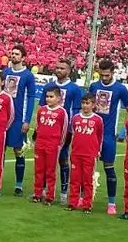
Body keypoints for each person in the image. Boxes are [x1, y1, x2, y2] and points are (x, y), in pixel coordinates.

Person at [89, 58, 128, 213]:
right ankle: (85, 198)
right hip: (92, 133)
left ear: (112, 73)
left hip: (108, 135)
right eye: (102, 75)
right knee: (88, 167)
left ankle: (112, 203)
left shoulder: (120, 89)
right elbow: (88, 104)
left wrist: (124, 130)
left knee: (109, 168)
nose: (104, 78)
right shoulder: (94, 86)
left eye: (107, 75)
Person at [42, 58, 83, 202]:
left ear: (69, 71)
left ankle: (64, 192)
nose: (59, 70)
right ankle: (44, 189)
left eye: (62, 68)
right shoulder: (49, 86)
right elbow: (42, 107)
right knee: (45, 160)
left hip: (65, 131)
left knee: (63, 160)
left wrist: (71, 130)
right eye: (57, 67)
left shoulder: (74, 89)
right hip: (47, 129)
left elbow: (77, 110)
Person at [3, 46, 38, 196]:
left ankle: (19, 185)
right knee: (0, 151)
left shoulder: (28, 76)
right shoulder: (6, 73)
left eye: (17, 54)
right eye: (12, 53)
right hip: (3, 118)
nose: (13, 55)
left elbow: (30, 98)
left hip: (18, 119)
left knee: (19, 151)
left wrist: (26, 120)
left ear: (23, 57)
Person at [67, 94, 104, 212]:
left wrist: (98, 151)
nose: (85, 106)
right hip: (76, 153)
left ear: (93, 105)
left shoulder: (97, 120)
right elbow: (73, 133)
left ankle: (87, 205)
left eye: (88, 103)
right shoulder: (76, 118)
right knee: (74, 179)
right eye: (83, 103)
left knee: (88, 181)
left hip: (89, 154)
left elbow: (99, 136)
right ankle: (72, 203)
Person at [33, 86, 69, 204]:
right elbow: (38, 125)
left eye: (51, 97)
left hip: (53, 145)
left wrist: (59, 145)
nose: (48, 99)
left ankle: (49, 196)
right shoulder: (42, 110)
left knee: (50, 171)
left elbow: (64, 130)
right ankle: (37, 194)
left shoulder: (62, 112)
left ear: (58, 98)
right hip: (40, 144)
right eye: (47, 97)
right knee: (38, 170)